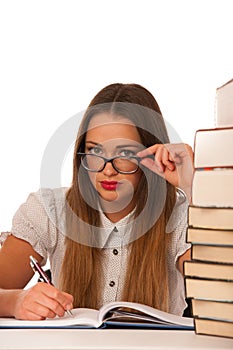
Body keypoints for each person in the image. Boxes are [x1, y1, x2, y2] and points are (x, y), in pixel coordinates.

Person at [0, 83, 194, 320]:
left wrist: (193, 187)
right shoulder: (48, 210)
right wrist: (16, 301)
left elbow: (221, 291)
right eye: (94, 151)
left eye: (124, 154)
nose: (107, 170)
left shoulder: (182, 215)